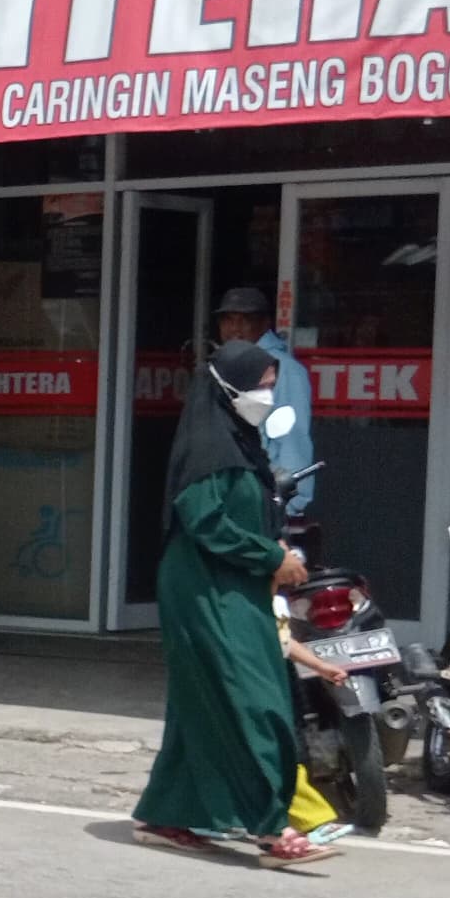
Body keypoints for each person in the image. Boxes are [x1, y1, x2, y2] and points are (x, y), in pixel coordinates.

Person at [135, 339, 320, 865]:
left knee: (203, 699)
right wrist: (270, 557)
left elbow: (248, 512)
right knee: (251, 699)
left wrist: (276, 544)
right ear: (228, 387)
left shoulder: (242, 443)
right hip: (202, 586)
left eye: (271, 385)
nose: (267, 395)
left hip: (235, 582)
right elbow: (205, 520)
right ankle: (269, 825)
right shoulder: (207, 448)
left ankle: (167, 813)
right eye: (260, 385)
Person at [213, 284, 314, 491]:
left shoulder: (284, 369)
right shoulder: (223, 365)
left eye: (245, 320)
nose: (235, 328)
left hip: (264, 494)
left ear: (265, 323)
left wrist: (289, 500)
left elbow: (293, 441)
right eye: (228, 320)